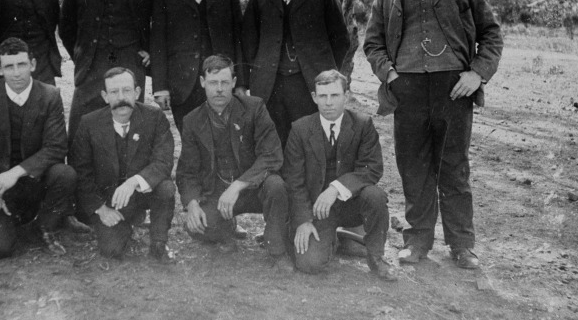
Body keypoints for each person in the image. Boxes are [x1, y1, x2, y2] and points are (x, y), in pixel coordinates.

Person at [363, 0, 503, 269]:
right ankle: (417, 240)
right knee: (413, 167)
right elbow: (373, 44)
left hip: (453, 91)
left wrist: (477, 74)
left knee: (454, 168)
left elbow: (491, 35)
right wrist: (391, 75)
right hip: (406, 91)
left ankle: (462, 245)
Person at [0, 38, 76, 258]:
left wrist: (16, 172)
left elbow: (56, 147)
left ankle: (44, 225)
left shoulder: (50, 95)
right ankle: (7, 222)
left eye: (22, 65)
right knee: (0, 249)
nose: (16, 73)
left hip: (34, 183)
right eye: (9, 66)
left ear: (32, 64)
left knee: (65, 174)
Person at [282, 70, 397, 281]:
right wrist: (303, 220)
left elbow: (372, 168)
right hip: (318, 210)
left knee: (375, 196)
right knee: (309, 263)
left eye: (335, 95)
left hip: (351, 204)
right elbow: (293, 180)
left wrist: (336, 188)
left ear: (346, 96)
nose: (328, 102)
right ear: (314, 97)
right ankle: (333, 239)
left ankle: (376, 257)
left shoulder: (362, 124)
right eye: (323, 96)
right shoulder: (300, 129)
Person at [176, 55, 289, 266]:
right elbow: (187, 171)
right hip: (218, 192)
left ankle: (277, 249)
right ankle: (225, 228)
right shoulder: (192, 120)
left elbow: (271, 155)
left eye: (224, 83)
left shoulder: (254, 108)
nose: (219, 89)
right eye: (213, 83)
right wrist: (192, 204)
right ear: (203, 83)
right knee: (199, 227)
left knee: (276, 186)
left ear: (234, 83)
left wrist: (238, 185)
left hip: (253, 188)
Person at [241, 0, 350, 147]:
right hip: (270, 87)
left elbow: (341, 41)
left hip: (308, 85)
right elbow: (248, 44)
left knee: (309, 143)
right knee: (275, 144)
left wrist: (322, 72)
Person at [60, 0, 156, 143]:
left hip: (131, 64)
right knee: (80, 132)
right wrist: (82, 55)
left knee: (134, 130)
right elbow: (66, 28)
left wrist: (149, 50)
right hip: (91, 69)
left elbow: (159, 21)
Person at [69, 67, 175, 262]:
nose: (121, 97)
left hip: (143, 193)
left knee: (166, 187)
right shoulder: (89, 123)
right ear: (104, 96)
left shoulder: (155, 117)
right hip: (109, 201)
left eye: (126, 91)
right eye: (114, 92)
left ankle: (159, 243)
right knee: (112, 251)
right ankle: (125, 224)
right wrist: (101, 209)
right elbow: (80, 172)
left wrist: (133, 182)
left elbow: (164, 161)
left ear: (137, 92)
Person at [151, 0, 248, 134]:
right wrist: (160, 87)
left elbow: (239, 40)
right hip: (183, 87)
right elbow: (158, 44)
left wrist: (241, 83)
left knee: (224, 138)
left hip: (220, 83)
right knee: (191, 141)